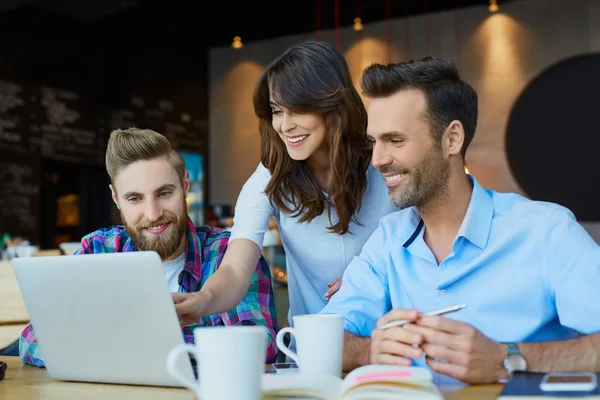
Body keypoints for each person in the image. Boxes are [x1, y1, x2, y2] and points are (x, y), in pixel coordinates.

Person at [320, 57, 600, 384]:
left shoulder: (545, 230)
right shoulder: (387, 241)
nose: (378, 160)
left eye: (395, 140)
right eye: (374, 142)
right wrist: (370, 350)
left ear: (452, 138)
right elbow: (325, 338)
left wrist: (508, 357)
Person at [172, 40, 398, 327]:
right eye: (277, 111)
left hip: (390, 342)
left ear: (332, 105)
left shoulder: (383, 165)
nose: (285, 125)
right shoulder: (270, 178)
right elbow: (235, 269)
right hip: (311, 347)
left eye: (298, 109)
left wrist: (372, 276)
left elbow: (430, 247)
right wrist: (203, 299)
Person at [19, 128, 278, 367]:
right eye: (134, 199)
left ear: (185, 186)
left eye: (165, 193)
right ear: (116, 199)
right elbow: (33, 340)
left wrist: (112, 347)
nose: (153, 214)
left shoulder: (227, 254)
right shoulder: (99, 250)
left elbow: (259, 345)